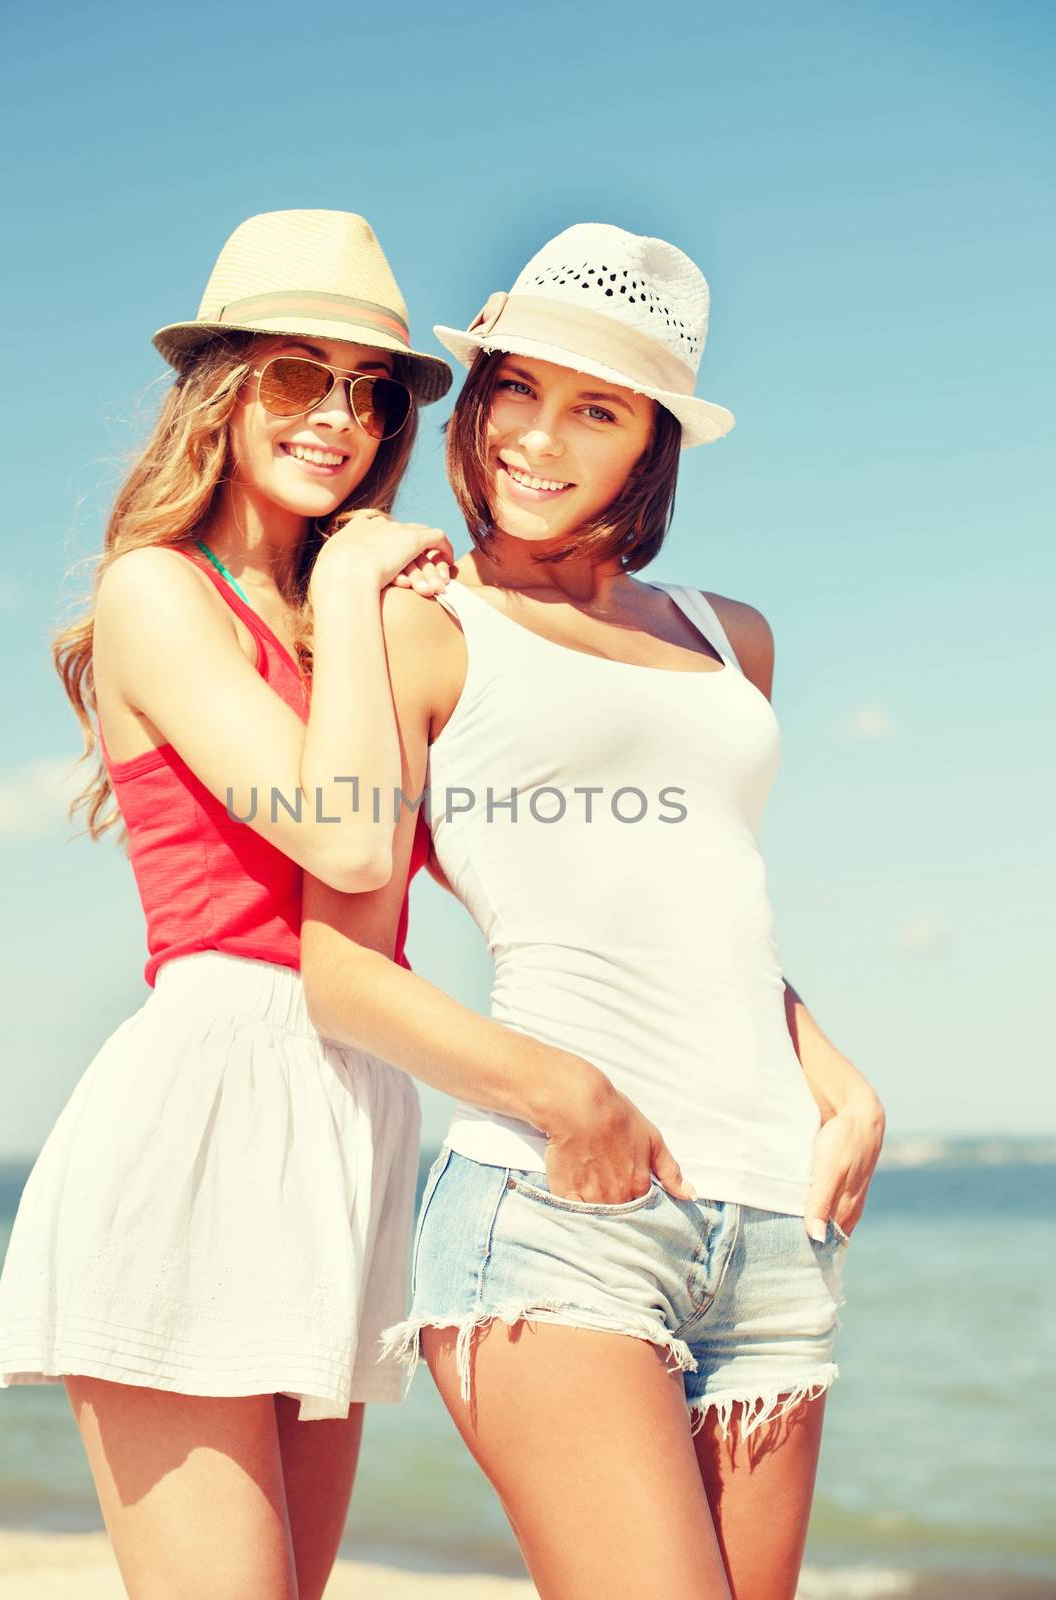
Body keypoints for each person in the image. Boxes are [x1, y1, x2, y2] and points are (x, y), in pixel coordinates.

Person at [300, 222, 887, 1600]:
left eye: (597, 408)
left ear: (651, 443)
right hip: (558, 1215)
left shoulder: (730, 633)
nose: (537, 439)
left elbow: (698, 910)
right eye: (516, 389)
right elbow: (340, 969)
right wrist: (570, 1097)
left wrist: (834, 1076)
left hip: (774, 1222)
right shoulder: (423, 622)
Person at [0, 209, 455, 1600]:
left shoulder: (348, 615)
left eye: (368, 391)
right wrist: (370, 577)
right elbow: (347, 840)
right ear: (223, 388)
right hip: (211, 1096)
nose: (342, 417)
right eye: (301, 375)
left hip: (354, 1105)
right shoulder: (154, 591)